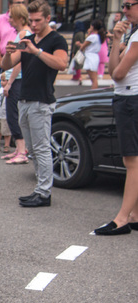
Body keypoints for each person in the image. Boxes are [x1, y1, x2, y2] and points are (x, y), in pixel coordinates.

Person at [1, 0, 68, 208]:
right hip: (25, 99)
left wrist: (36, 51)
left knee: (41, 148)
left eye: (38, 20)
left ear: (48, 18)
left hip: (41, 100)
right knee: (31, 148)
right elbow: (6, 64)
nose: (34, 24)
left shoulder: (56, 40)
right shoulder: (28, 39)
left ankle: (44, 192)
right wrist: (9, 51)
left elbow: (62, 64)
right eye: (31, 20)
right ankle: (40, 188)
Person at [93, 4, 138, 235]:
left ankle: (122, 219)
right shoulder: (132, 34)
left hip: (131, 99)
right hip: (127, 98)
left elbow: (118, 73)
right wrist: (117, 40)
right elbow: (113, 69)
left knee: (132, 161)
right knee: (131, 160)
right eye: (123, 5)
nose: (125, 10)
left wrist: (119, 45)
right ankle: (135, 214)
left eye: (130, 5)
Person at [1, 3, 31, 164]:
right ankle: (19, 149)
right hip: (15, 78)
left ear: (19, 17)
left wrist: (9, 83)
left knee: (13, 115)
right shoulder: (21, 33)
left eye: (12, 16)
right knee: (12, 114)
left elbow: (19, 61)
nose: (9, 20)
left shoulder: (24, 33)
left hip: (17, 79)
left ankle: (22, 150)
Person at [0, 0, 23, 81]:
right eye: (18, 3)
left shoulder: (25, 28)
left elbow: (24, 46)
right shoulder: (1, 19)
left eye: (22, 3)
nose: (21, 5)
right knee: (0, 91)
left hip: (18, 61)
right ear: (10, 4)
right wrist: (2, 62)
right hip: (3, 58)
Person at [76, 19, 105, 89]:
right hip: (94, 56)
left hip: (90, 56)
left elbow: (83, 46)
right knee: (94, 78)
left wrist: (79, 44)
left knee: (93, 79)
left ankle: (94, 91)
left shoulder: (92, 36)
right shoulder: (98, 36)